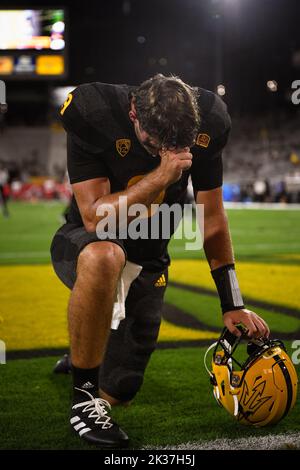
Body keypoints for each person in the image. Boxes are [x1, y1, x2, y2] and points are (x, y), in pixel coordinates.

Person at [50, 74, 270, 448]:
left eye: (176, 147)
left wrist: (233, 303)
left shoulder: (210, 122)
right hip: (87, 242)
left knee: (120, 390)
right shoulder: (94, 111)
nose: (164, 153)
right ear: (134, 114)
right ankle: (84, 399)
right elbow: (94, 218)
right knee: (108, 255)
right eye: (154, 145)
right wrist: (160, 177)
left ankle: (84, 353)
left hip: (149, 258)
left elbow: (212, 218)